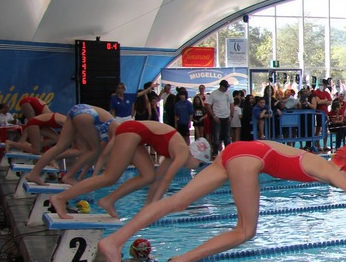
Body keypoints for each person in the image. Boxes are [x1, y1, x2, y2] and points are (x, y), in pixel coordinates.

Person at [98, 143, 346, 262]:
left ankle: (115, 240)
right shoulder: (333, 173)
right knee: (245, 232)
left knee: (177, 203)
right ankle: (182, 261)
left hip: (237, 150)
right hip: (248, 159)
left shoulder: (319, 160)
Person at [49, 120, 210, 219]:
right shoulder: (182, 152)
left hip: (136, 135)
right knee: (109, 177)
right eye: (201, 164)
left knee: (148, 176)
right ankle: (61, 198)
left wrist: (148, 207)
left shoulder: (173, 154)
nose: (198, 167)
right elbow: (166, 181)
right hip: (131, 131)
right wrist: (154, 207)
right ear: (196, 156)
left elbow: (158, 180)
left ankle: (108, 200)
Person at [23, 105, 118, 185]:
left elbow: (95, 158)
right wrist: (94, 179)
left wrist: (83, 176)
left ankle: (33, 174)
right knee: (92, 150)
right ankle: (69, 176)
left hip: (77, 109)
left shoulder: (111, 135)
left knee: (60, 146)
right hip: (87, 114)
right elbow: (102, 155)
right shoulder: (118, 133)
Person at [206, 80, 234, 156]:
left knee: (227, 137)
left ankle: (228, 152)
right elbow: (208, 105)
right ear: (221, 86)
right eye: (225, 87)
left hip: (227, 117)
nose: (226, 89)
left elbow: (232, 104)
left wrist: (231, 115)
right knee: (216, 137)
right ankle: (215, 152)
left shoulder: (228, 93)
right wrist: (213, 116)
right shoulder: (214, 94)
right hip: (217, 117)